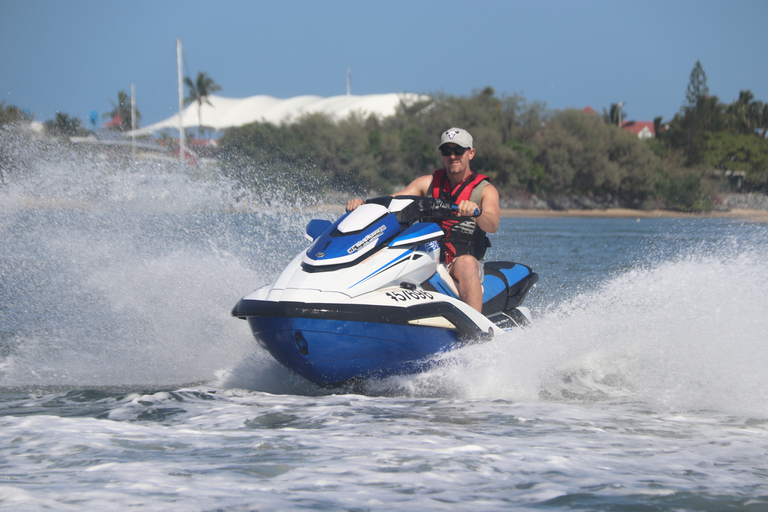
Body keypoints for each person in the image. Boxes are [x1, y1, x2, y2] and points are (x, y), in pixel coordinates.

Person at [347, 127, 500, 312]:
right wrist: (362, 205)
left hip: (461, 262)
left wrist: (477, 212)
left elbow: (492, 224)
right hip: (427, 255)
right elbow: (391, 203)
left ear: (471, 153)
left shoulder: (485, 190)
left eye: (458, 150)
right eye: (447, 151)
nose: (452, 156)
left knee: (466, 263)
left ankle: (477, 333)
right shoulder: (426, 184)